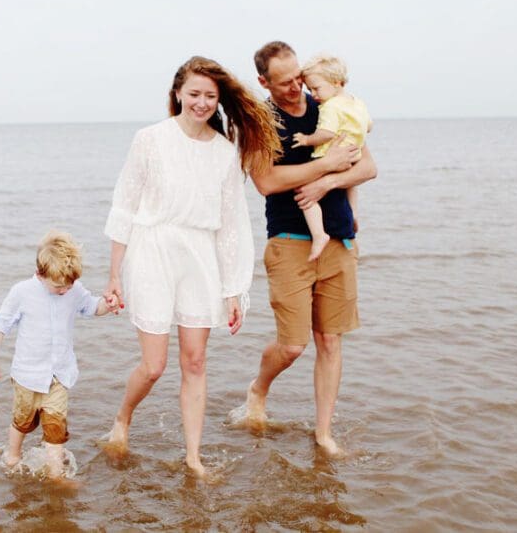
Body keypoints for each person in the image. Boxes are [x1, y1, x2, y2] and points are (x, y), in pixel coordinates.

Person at [101, 56, 281, 477]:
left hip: (200, 257)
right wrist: (114, 274)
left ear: (218, 102)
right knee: (154, 367)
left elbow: (232, 224)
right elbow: (124, 206)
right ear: (178, 93)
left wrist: (233, 287)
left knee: (195, 361)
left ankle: (193, 457)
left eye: (210, 97)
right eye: (195, 94)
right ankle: (123, 418)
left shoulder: (224, 153)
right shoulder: (149, 139)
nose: (201, 103)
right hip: (152, 250)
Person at [243, 41, 377, 455]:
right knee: (292, 346)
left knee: (330, 341)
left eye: (299, 77)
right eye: (284, 83)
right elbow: (266, 181)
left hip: (338, 237)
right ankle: (258, 388)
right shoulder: (258, 120)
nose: (296, 87)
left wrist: (326, 182)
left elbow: (367, 165)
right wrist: (325, 166)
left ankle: (323, 434)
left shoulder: (327, 103)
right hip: (289, 240)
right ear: (264, 81)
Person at [0, 230, 118, 479]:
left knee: (55, 425)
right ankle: (12, 455)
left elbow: (90, 307)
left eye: (69, 286)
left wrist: (106, 306)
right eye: (59, 287)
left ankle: (56, 474)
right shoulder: (22, 292)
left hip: (59, 375)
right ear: (40, 273)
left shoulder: (72, 288)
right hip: (27, 376)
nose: (65, 291)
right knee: (22, 421)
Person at [292, 54, 373, 260]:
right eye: (309, 89)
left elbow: (326, 133)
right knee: (349, 185)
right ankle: (353, 213)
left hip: (330, 155)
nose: (313, 94)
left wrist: (307, 139)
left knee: (302, 187)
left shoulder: (330, 106)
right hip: (352, 155)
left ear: (336, 83)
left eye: (316, 88)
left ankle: (319, 235)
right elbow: (369, 126)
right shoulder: (357, 103)